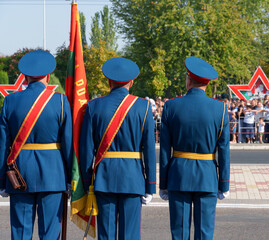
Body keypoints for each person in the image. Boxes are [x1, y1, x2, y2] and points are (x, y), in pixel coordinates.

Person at [79, 57, 156, 240]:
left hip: (104, 178)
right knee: (129, 235)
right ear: (131, 82)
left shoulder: (94, 106)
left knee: (106, 235)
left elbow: (86, 150)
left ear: (108, 81)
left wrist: (88, 181)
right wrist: (150, 184)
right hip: (133, 178)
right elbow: (150, 150)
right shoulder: (143, 107)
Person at [0, 50, 72, 239]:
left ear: (24, 77)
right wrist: (71, 177)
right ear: (48, 76)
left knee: (21, 233)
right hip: (53, 174)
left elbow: (2, 144)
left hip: (19, 173)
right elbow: (68, 144)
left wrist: (2, 179)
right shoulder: (61, 102)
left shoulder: (10, 101)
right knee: (49, 233)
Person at [159, 56, 230, 240]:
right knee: (204, 233)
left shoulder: (171, 106)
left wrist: (164, 183)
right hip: (207, 177)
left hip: (179, 175)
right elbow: (223, 149)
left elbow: (165, 150)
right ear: (206, 84)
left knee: (179, 233)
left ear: (188, 79)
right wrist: (224, 183)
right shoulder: (220, 109)